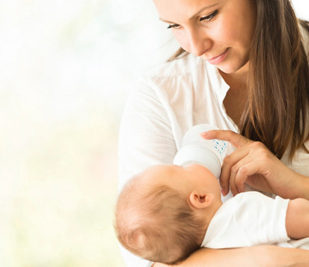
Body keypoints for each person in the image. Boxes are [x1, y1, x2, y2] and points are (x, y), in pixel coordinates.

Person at [118, 0, 309, 266]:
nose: (196, 47)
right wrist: (270, 259)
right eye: (174, 25)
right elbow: (148, 258)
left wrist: (292, 182)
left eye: (208, 16)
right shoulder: (161, 96)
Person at [115, 164, 309, 265]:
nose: (188, 163)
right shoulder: (237, 214)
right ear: (200, 198)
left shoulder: (209, 251)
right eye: (181, 168)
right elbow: (302, 217)